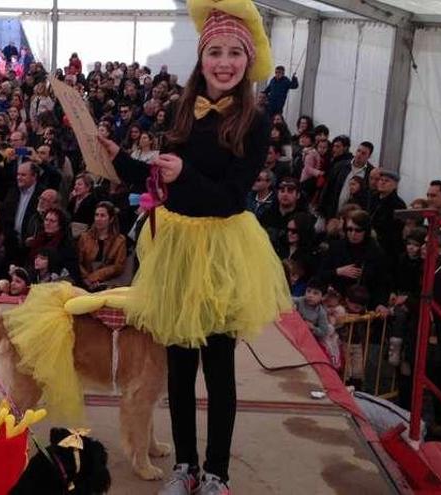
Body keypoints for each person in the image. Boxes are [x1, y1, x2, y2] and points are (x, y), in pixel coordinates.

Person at [97, 1, 290, 492]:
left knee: (219, 369)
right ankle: (186, 466)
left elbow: (231, 198)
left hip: (221, 251)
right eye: (215, 52)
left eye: (234, 53)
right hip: (177, 249)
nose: (224, 62)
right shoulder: (183, 109)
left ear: (248, 62)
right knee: (178, 369)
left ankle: (217, 474)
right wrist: (121, 159)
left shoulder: (256, 120)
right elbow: (163, 183)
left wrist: (186, 175)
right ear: (201, 57)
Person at [77, 201, 128, 291]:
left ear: (111, 219)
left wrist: (96, 276)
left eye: (102, 216)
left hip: (108, 282)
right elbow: (78, 261)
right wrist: (86, 278)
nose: (98, 219)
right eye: (96, 215)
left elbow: (118, 267)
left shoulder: (119, 240)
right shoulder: (84, 237)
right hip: (84, 280)